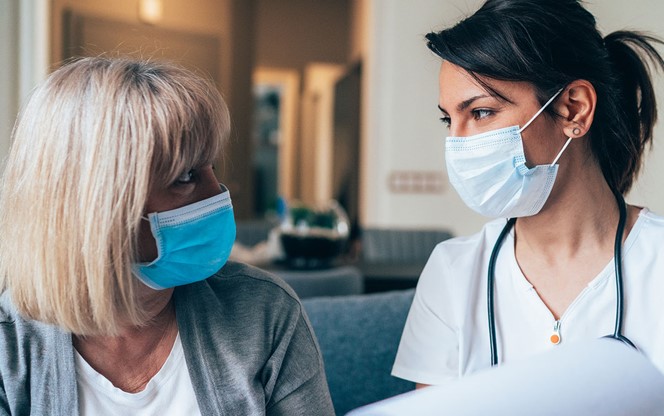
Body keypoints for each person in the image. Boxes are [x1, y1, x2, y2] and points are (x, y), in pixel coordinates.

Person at [0, 57, 334, 415]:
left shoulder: (265, 313)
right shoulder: (10, 347)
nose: (218, 193)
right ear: (94, 209)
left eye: (212, 167)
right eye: (185, 176)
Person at [392, 0, 664, 388]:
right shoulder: (453, 273)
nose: (457, 142)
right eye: (448, 119)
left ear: (574, 110)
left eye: (481, 112)